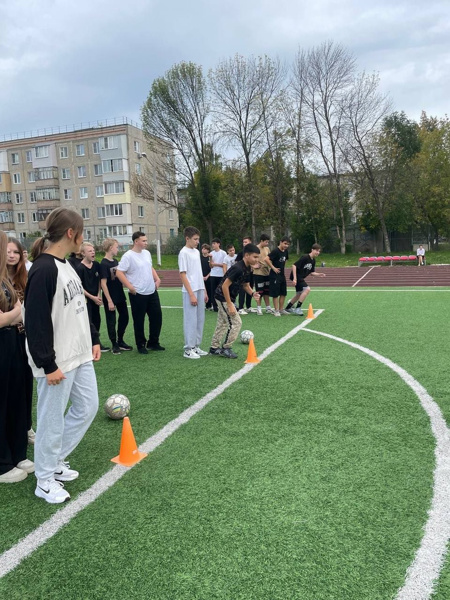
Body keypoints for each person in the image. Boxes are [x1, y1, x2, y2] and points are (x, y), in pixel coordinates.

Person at [23, 208, 101, 503]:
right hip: (57, 362)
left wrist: (93, 339)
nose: (84, 238)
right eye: (82, 232)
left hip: (79, 355)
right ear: (72, 233)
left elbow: (78, 309)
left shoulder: (67, 265)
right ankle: (44, 479)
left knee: (87, 407)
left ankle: (54, 462)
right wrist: (48, 363)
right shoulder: (43, 269)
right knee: (51, 419)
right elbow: (36, 321)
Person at [0, 231, 31, 483]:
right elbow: (12, 315)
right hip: (4, 339)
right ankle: (2, 462)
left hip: (12, 341)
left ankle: (17, 453)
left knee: (17, 399)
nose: (10, 254)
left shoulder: (7, 280)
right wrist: (13, 316)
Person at [7, 237, 35, 444]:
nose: (11, 255)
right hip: (7, 338)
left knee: (26, 383)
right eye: (7, 251)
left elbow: (30, 310)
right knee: (11, 386)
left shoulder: (24, 277)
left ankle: (26, 427)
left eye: (15, 252)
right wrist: (18, 313)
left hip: (25, 336)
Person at [116, 232, 164, 355]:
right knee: (139, 320)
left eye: (146, 240)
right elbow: (119, 272)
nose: (146, 243)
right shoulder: (128, 256)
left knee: (157, 317)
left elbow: (150, 267)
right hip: (138, 293)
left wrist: (157, 279)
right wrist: (130, 287)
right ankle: (141, 344)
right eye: (143, 241)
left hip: (151, 291)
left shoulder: (147, 253)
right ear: (136, 241)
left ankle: (153, 342)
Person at [210, 244, 260, 359]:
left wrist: (253, 293)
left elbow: (246, 285)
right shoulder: (238, 268)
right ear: (246, 255)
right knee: (236, 322)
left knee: (222, 322)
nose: (257, 260)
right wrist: (230, 304)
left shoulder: (248, 268)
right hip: (222, 296)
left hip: (227, 297)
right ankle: (226, 348)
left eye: (258, 257)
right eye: (255, 257)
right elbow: (225, 286)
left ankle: (214, 348)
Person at [178, 226, 209, 359]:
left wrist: (205, 290)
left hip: (200, 288)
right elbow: (183, 275)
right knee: (191, 320)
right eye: (195, 239)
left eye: (198, 239)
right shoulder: (183, 253)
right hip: (190, 290)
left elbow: (199, 273)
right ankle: (188, 348)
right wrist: (191, 294)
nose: (197, 242)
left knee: (199, 319)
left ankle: (196, 346)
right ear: (187, 238)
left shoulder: (196, 252)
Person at [100, 238, 132, 355]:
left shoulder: (116, 261)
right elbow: (103, 283)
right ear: (110, 248)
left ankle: (120, 340)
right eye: (116, 247)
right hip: (110, 296)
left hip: (119, 294)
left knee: (125, 316)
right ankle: (114, 344)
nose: (118, 249)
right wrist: (109, 300)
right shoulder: (103, 264)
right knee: (111, 321)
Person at [78, 242, 109, 352]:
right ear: (83, 253)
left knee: (97, 320)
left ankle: (95, 341)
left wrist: (98, 295)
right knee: (88, 321)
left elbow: (100, 281)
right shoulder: (80, 268)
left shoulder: (96, 265)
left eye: (93, 250)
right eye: (90, 251)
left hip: (96, 298)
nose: (93, 252)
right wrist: (92, 297)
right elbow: (79, 287)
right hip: (86, 299)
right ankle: (92, 343)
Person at [285, 244, 326, 315]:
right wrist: (295, 278)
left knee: (298, 294)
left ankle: (288, 307)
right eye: (316, 250)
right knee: (307, 289)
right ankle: (298, 308)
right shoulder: (305, 257)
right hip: (297, 277)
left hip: (300, 278)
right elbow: (294, 265)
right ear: (312, 250)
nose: (318, 252)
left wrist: (319, 274)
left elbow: (312, 272)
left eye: (319, 251)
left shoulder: (313, 261)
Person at [265, 236, 291, 316]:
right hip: (274, 276)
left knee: (283, 293)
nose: (286, 245)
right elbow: (266, 259)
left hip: (282, 275)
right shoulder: (275, 251)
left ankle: (281, 309)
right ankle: (276, 310)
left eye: (288, 244)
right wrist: (273, 268)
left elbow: (285, 260)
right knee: (275, 293)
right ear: (281, 242)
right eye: (285, 243)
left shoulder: (285, 251)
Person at [253, 234, 273, 315]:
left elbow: (270, 259)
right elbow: (250, 258)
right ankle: (259, 308)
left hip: (266, 273)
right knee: (259, 291)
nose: (267, 243)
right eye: (266, 242)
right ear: (261, 241)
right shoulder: (255, 248)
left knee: (266, 291)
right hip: (258, 273)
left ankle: (268, 307)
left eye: (268, 242)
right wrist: (254, 265)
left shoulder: (267, 248)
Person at [236, 236, 254, 314]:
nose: (244, 243)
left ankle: (249, 306)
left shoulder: (253, 253)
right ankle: (240, 308)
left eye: (246, 242)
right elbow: (237, 262)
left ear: (250, 242)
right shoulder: (241, 253)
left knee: (250, 289)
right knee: (242, 290)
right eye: (243, 242)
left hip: (251, 274)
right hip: (243, 274)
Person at [209, 238, 227, 312]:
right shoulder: (211, 253)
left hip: (221, 275)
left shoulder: (223, 253)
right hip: (213, 275)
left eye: (214, 243)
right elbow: (211, 266)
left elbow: (224, 265)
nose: (213, 245)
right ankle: (214, 305)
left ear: (218, 244)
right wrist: (210, 259)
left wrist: (216, 264)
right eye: (212, 243)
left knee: (220, 291)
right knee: (213, 290)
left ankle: (222, 305)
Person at [201, 243, 212, 310]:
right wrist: (201, 276)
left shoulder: (210, 257)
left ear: (208, 250)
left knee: (209, 290)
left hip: (209, 276)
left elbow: (212, 268)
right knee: (202, 291)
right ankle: (203, 304)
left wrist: (207, 276)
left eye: (205, 249)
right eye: (202, 249)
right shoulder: (199, 258)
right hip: (201, 276)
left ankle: (209, 305)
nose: (203, 250)